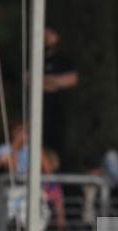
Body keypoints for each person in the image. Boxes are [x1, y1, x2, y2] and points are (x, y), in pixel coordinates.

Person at [42, 27, 78, 164]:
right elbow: (28, 79)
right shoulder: (32, 57)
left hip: (59, 110)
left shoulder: (63, 59)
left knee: (59, 143)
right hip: (40, 110)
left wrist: (48, 80)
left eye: (49, 34)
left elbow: (72, 79)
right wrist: (57, 81)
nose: (46, 38)